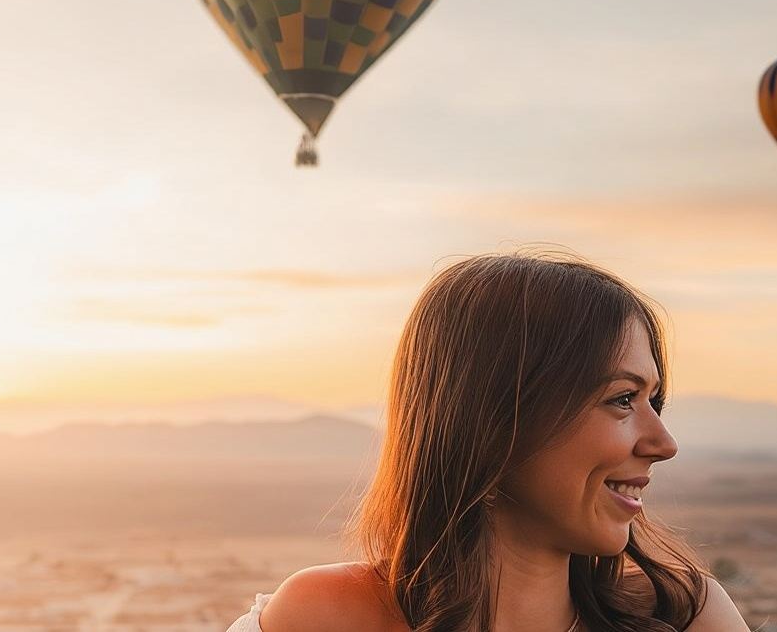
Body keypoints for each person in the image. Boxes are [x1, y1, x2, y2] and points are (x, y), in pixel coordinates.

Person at [227, 251, 749, 631]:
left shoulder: (685, 615)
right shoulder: (326, 617)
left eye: (653, 402)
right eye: (622, 399)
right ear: (496, 417)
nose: (663, 442)